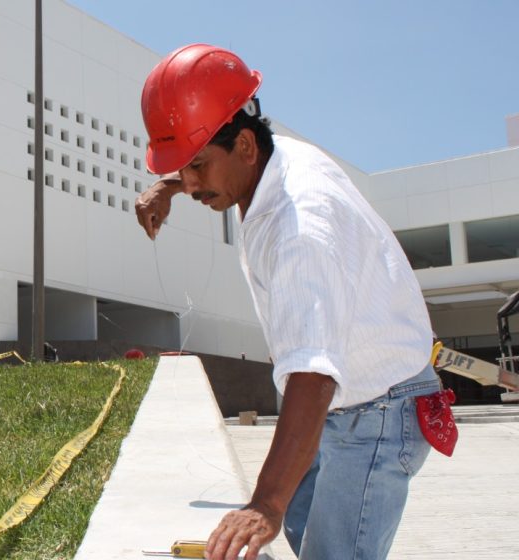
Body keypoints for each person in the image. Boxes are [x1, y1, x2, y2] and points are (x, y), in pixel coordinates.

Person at [136, 44, 443, 560]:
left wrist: (264, 504)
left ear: (247, 148)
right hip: (346, 399)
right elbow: (214, 151)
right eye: (181, 168)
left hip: (379, 409)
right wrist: (169, 185)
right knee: (303, 530)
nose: (191, 184)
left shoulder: (299, 228)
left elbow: (313, 377)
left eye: (197, 168)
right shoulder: (268, 156)